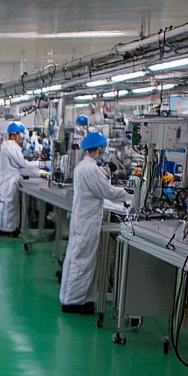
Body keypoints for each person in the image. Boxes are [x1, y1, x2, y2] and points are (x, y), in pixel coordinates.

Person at [60, 131, 129, 314]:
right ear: (99, 150)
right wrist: (129, 194)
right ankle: (73, 302)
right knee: (82, 261)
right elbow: (108, 192)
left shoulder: (83, 167)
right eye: (103, 150)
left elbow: (97, 187)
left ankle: (80, 299)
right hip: (87, 221)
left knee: (78, 259)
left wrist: (107, 173)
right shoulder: (90, 169)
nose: (104, 153)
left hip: (82, 219)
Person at [0, 121, 42, 236]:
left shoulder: (10, 146)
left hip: (9, 179)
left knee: (6, 204)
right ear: (15, 134)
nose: (22, 138)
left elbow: (20, 166)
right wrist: (40, 164)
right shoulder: (10, 146)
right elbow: (23, 164)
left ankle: (3, 228)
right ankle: (7, 230)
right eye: (21, 135)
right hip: (9, 181)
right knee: (9, 205)